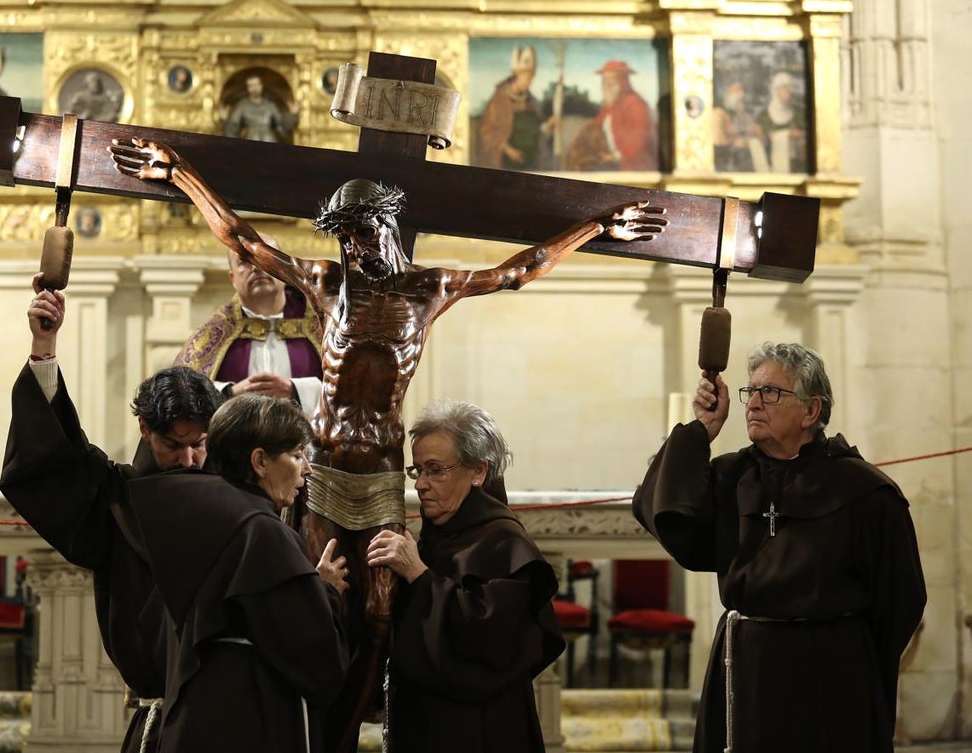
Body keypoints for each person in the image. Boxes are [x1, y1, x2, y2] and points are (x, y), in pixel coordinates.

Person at [108, 136, 664, 753]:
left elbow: (519, 270)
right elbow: (242, 239)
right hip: (320, 471)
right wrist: (180, 174)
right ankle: (318, 738)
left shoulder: (429, 289)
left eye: (363, 236)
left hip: (377, 477)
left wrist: (596, 226)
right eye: (344, 238)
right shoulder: (324, 283)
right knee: (319, 600)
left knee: (378, 612)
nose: (354, 250)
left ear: (388, 229)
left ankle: (349, 734)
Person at [632, 342, 926, 753]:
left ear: (811, 410)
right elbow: (669, 519)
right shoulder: (731, 476)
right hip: (745, 669)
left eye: (769, 392)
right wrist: (700, 431)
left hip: (831, 677)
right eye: (749, 391)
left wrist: (849, 659)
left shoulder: (865, 491)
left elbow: (901, 601)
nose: (753, 403)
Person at [0, 272, 226, 753]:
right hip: (157, 715)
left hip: (229, 712)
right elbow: (52, 459)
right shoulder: (116, 495)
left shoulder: (234, 493)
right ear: (145, 428)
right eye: (173, 445)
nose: (188, 459)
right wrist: (44, 346)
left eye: (199, 444)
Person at [126, 392, 350, 752]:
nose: (306, 468)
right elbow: (317, 659)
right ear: (260, 461)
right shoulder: (261, 532)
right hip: (247, 721)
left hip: (193, 717)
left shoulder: (194, 513)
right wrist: (323, 591)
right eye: (296, 455)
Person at [366, 400, 564, 753]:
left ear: (478, 472)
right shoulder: (433, 538)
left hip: (481, 730)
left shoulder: (504, 541)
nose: (422, 485)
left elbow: (491, 644)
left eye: (436, 470)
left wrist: (419, 576)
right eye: (417, 471)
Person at [174, 241, 323, 415]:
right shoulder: (215, 333)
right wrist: (230, 393)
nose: (256, 267)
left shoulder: (322, 326)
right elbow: (182, 393)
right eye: (244, 261)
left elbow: (353, 390)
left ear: (284, 271)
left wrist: (296, 390)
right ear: (233, 279)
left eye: (265, 257)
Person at [566, 59, 657, 172]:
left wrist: (616, 156)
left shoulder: (636, 105)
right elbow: (596, 124)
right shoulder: (611, 104)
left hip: (632, 166)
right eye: (604, 82)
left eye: (611, 82)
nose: (606, 87)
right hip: (609, 160)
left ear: (623, 83)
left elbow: (639, 140)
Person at [475, 45, 550, 171]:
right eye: (526, 78)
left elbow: (537, 128)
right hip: (506, 162)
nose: (529, 82)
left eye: (531, 79)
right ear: (516, 76)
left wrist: (548, 126)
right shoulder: (499, 101)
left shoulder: (531, 101)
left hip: (531, 162)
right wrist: (509, 150)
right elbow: (486, 133)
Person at [223, 74, 297, 143]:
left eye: (256, 85)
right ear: (248, 88)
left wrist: (293, 115)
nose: (254, 88)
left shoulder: (270, 105)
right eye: (251, 85)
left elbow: (282, 126)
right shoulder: (242, 106)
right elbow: (232, 128)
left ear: (261, 86)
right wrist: (224, 120)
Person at [757, 71, 807, 173]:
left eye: (789, 90)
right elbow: (760, 139)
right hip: (772, 165)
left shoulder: (799, 113)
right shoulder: (764, 116)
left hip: (798, 164)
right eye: (783, 90)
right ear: (775, 92)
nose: (786, 94)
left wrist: (799, 135)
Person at [712, 80, 767, 173]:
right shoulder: (718, 114)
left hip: (748, 161)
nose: (741, 94)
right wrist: (735, 143)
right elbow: (717, 143)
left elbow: (756, 133)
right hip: (728, 163)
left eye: (742, 90)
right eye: (736, 91)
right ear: (727, 93)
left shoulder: (744, 114)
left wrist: (757, 134)